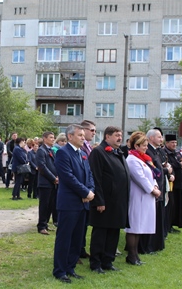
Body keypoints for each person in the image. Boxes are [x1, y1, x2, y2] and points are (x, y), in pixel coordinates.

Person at [52, 124, 95, 283]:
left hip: (83, 204)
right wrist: (85, 192)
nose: (84, 138)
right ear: (70, 136)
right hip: (69, 203)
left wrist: (90, 190)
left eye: (84, 135)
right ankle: (60, 270)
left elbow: (89, 175)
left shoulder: (82, 153)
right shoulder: (63, 153)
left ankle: (70, 267)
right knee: (65, 238)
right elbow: (68, 177)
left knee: (78, 239)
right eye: (80, 135)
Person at [89, 126, 130, 274]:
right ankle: (96, 263)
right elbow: (96, 178)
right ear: (107, 137)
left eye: (121, 135)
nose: (120, 138)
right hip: (105, 201)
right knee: (101, 233)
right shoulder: (98, 152)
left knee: (113, 232)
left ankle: (108, 261)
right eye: (116, 135)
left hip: (118, 201)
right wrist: (99, 201)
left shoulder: (118, 152)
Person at [124, 131, 161, 266]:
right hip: (138, 196)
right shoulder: (132, 159)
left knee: (139, 227)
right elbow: (140, 178)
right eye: (143, 145)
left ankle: (136, 255)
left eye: (146, 145)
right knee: (134, 227)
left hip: (146, 197)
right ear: (136, 145)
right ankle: (131, 255)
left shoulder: (143, 159)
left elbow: (152, 175)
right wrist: (152, 190)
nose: (146, 147)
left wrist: (155, 187)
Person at [138, 128, 171, 254]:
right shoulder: (149, 152)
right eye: (159, 137)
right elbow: (152, 171)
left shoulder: (156, 151)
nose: (161, 139)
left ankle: (154, 244)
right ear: (151, 138)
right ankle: (147, 246)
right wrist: (166, 171)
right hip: (151, 191)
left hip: (158, 188)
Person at [78, 120, 96, 262]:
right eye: (92, 130)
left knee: (84, 224)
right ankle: (75, 251)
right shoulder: (80, 148)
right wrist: (85, 191)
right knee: (76, 225)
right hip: (80, 193)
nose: (94, 133)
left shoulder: (88, 147)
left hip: (88, 191)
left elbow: (90, 171)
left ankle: (81, 249)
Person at [163, 134, 182, 233]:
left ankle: (174, 223)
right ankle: (168, 225)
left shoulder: (177, 153)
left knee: (177, 205)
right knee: (170, 205)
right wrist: (178, 165)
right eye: (172, 142)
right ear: (167, 143)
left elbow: (181, 161)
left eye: (175, 142)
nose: (174, 144)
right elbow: (167, 165)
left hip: (179, 182)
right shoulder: (164, 153)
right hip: (170, 182)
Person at [36, 131, 59, 235]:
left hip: (53, 183)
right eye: (51, 137)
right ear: (44, 138)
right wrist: (53, 178)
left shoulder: (51, 150)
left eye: (53, 137)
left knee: (50, 205)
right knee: (44, 205)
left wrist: (57, 177)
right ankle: (41, 226)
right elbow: (42, 167)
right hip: (45, 183)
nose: (53, 139)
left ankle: (45, 224)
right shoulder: (41, 150)